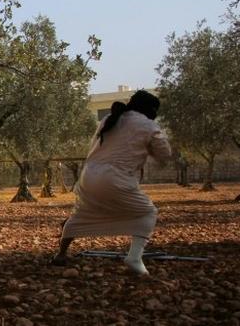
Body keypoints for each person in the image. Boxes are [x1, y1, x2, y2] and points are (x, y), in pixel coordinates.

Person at [51, 90, 172, 275]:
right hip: (116, 179)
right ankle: (134, 257)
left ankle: (61, 254)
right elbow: (164, 155)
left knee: (80, 214)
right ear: (151, 110)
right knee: (148, 212)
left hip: (88, 176)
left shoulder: (109, 119)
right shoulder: (149, 126)